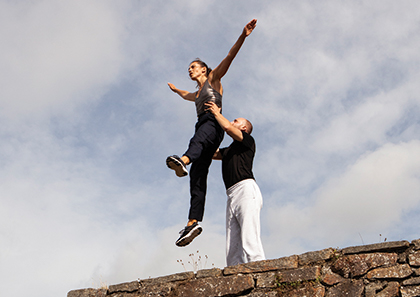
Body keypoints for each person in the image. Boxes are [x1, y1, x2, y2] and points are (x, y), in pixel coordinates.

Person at [166, 19, 257, 247]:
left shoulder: (214, 80)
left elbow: (229, 56)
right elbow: (186, 94)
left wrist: (243, 36)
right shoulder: (196, 94)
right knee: (197, 178)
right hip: (204, 128)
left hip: (213, 125)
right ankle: (192, 223)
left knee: (197, 140)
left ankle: (183, 159)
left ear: (204, 69)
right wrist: (177, 90)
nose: (190, 70)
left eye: (193, 67)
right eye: (189, 69)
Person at [206, 101, 265, 266]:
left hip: (246, 189)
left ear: (244, 128)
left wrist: (216, 113)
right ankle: (234, 269)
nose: (232, 123)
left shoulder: (248, 141)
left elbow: (227, 128)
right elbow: (211, 153)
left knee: (249, 233)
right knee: (232, 239)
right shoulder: (229, 150)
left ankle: (259, 265)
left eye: (236, 121)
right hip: (231, 194)